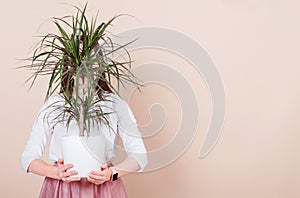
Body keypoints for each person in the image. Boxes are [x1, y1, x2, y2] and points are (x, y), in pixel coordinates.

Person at [21, 70, 148, 197]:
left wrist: (111, 174)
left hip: (104, 188)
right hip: (61, 189)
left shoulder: (115, 104)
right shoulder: (55, 104)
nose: (83, 64)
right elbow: (28, 159)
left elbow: (140, 157)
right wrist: (56, 172)